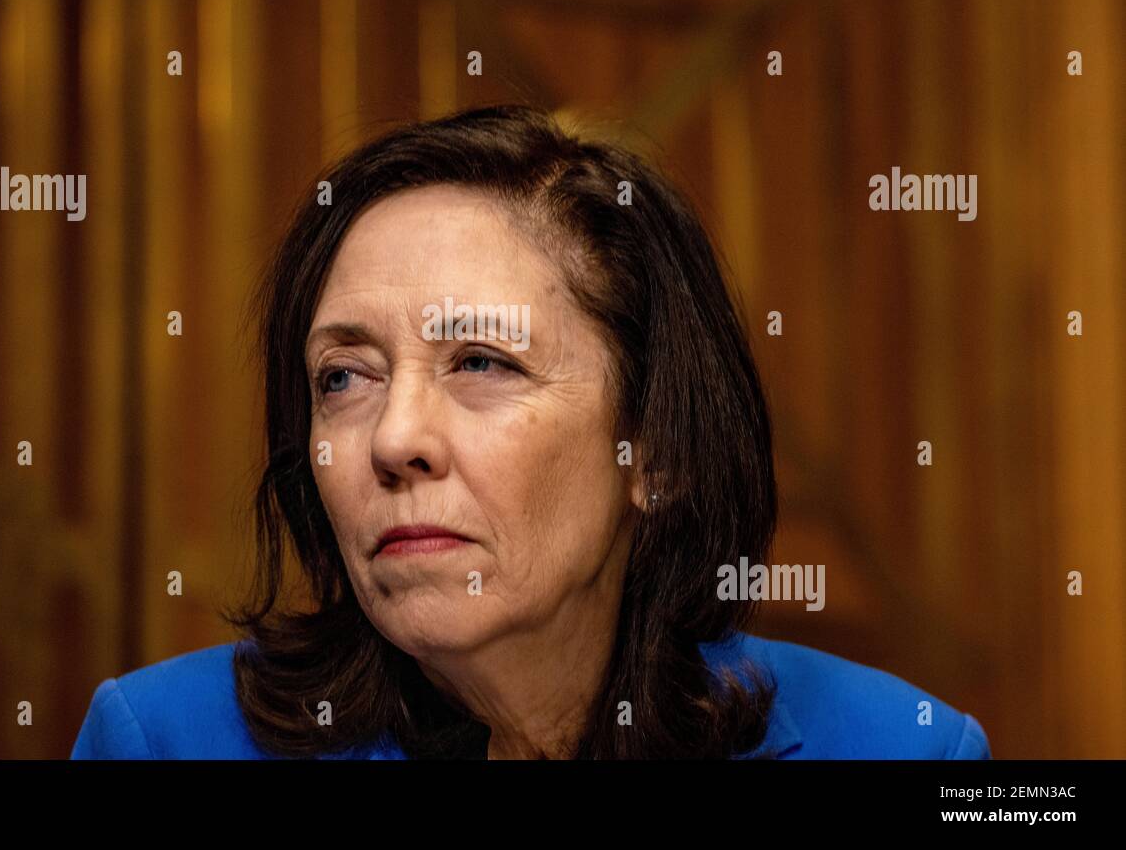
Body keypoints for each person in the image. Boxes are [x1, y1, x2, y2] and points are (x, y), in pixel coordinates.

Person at [71, 104, 990, 760]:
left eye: (481, 363)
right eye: (344, 378)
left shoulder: (907, 749)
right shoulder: (161, 740)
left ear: (655, 446)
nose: (395, 439)